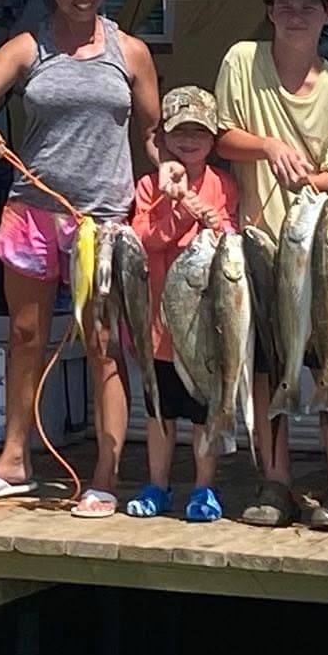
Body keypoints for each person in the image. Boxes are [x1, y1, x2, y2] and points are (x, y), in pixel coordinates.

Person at [0, 0, 162, 518]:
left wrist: (165, 168)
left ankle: (105, 472)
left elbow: (153, 133)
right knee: (24, 335)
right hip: (34, 210)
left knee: (103, 345)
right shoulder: (27, 47)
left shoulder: (132, 52)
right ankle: (14, 459)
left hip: (103, 222)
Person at [212, 0, 328, 531]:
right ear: (270, 11)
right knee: (269, 367)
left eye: (308, 5)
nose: (295, 14)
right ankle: (274, 481)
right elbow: (222, 136)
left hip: (320, 246)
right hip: (257, 242)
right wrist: (271, 146)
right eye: (285, 4)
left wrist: (309, 181)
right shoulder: (240, 60)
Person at [125, 85, 240, 522]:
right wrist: (177, 211)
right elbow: (144, 238)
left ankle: (204, 488)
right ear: (165, 137)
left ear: (213, 140)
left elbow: (231, 242)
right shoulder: (150, 185)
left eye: (199, 132)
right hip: (159, 326)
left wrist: (217, 226)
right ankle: (158, 484)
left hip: (206, 327)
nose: (189, 141)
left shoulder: (223, 185)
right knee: (160, 413)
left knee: (203, 414)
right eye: (179, 132)